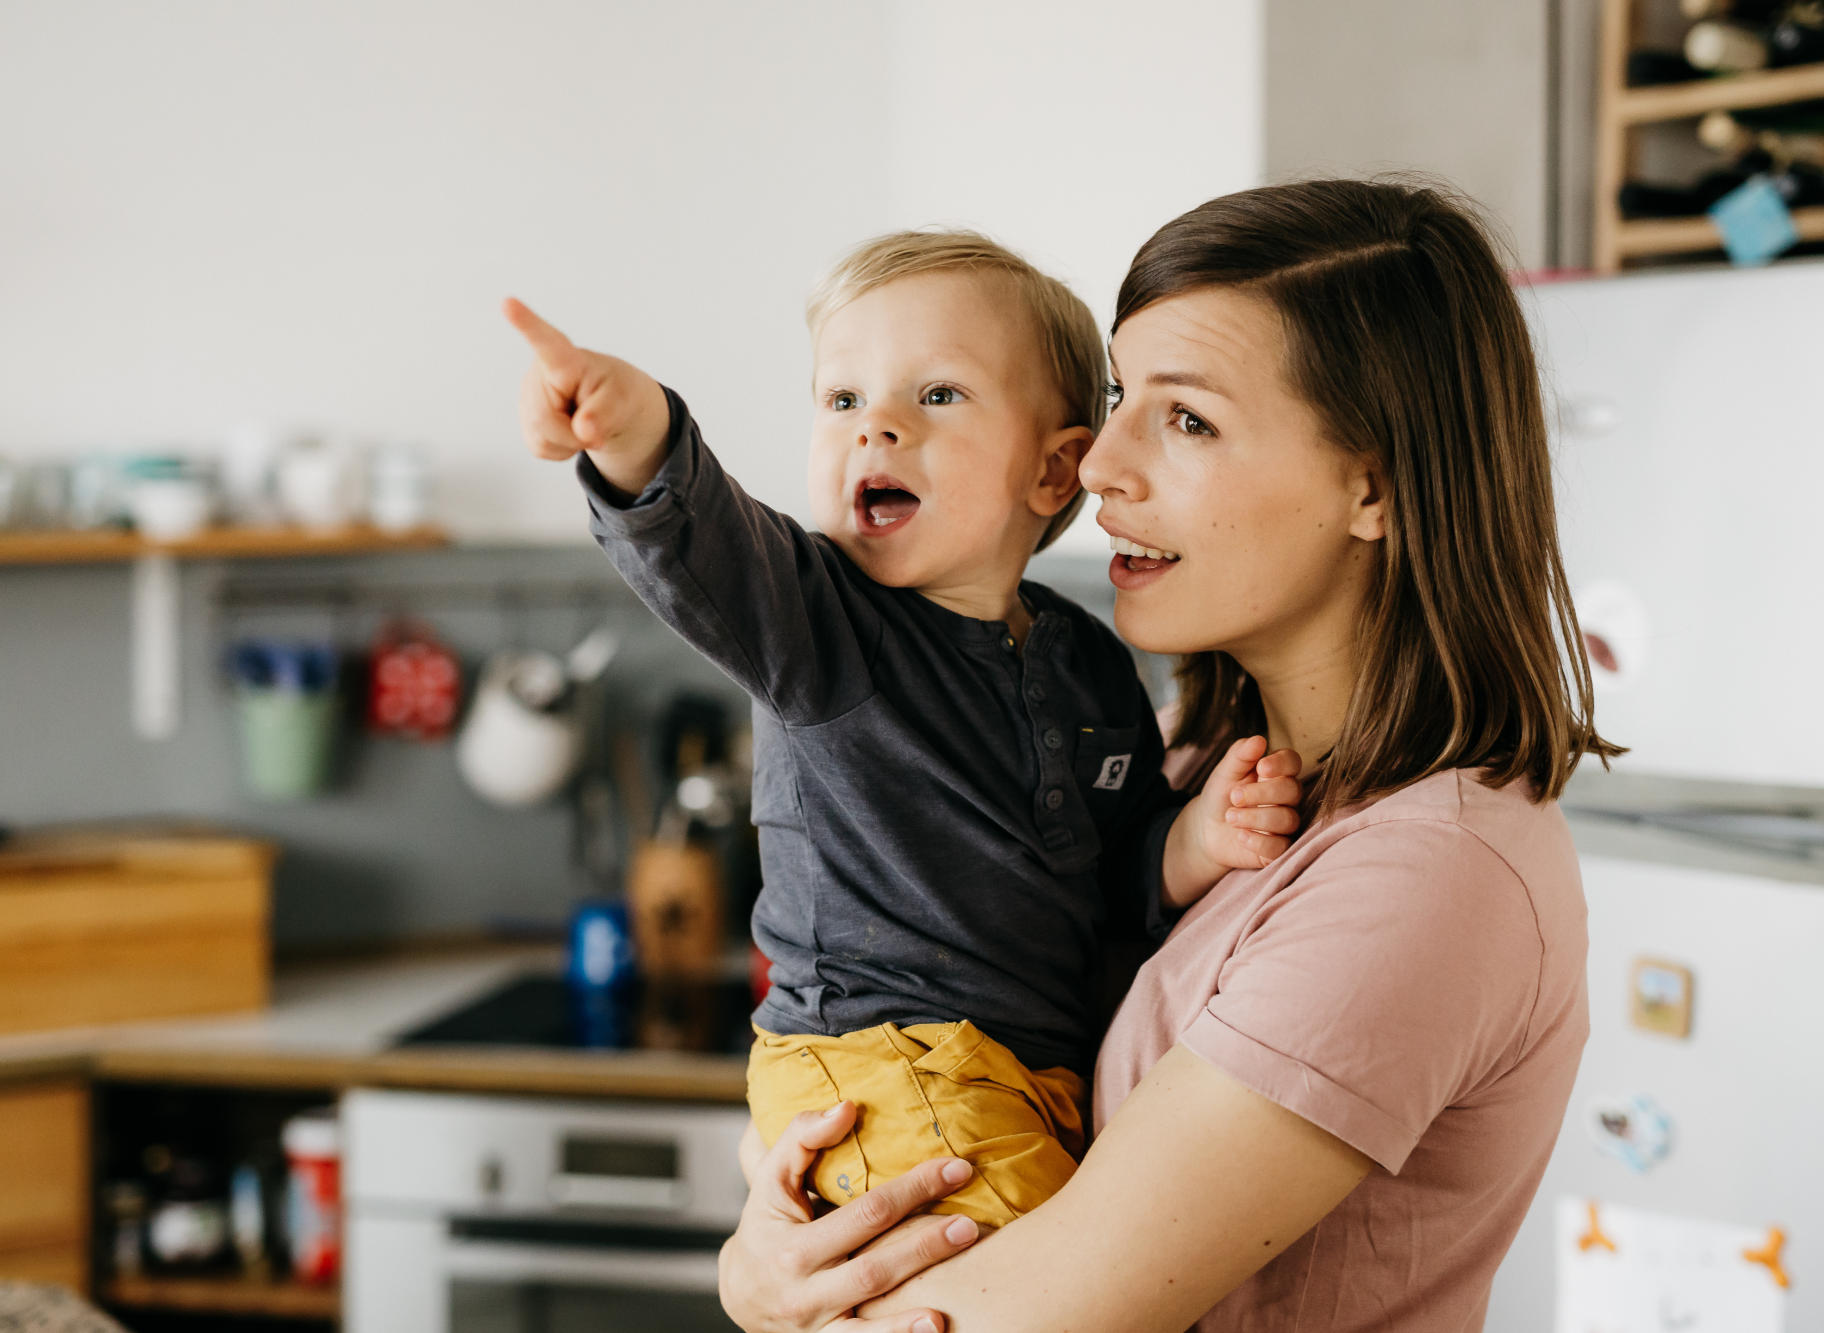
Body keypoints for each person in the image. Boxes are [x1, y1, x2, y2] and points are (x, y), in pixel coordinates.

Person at [716, 178, 1617, 1333]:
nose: (1096, 468)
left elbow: (1013, 1319)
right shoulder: (1188, 773)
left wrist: (765, 1295)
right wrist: (760, 1248)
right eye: (1117, 400)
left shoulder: (1429, 874)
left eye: (1184, 419)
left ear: (1373, 485)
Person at [503, 231, 1301, 1231]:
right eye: (841, 401)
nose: (873, 428)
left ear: (1055, 471)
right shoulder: (816, 624)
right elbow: (694, 531)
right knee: (1050, 1274)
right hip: (878, 1059)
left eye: (936, 396)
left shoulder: (1090, 662)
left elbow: (1119, 866)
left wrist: (1198, 840)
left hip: (1021, 1074)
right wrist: (634, 429)